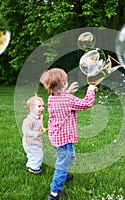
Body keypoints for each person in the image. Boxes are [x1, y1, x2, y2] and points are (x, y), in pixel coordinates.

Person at [40, 68, 97, 200]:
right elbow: (86, 103)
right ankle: (54, 193)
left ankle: (64, 175)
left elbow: (63, 99)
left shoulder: (52, 97)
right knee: (62, 164)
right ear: (63, 84)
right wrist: (90, 91)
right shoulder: (67, 99)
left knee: (69, 156)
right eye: (65, 81)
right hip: (64, 139)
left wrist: (68, 92)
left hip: (56, 137)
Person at [22, 95, 46, 174]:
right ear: (32, 109)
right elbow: (25, 130)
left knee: (32, 154)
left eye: (43, 106)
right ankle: (34, 168)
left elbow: (39, 125)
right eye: (39, 106)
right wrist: (35, 134)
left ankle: (30, 164)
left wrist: (42, 129)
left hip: (36, 142)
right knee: (38, 154)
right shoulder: (30, 119)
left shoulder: (40, 117)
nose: (42, 108)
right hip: (30, 142)